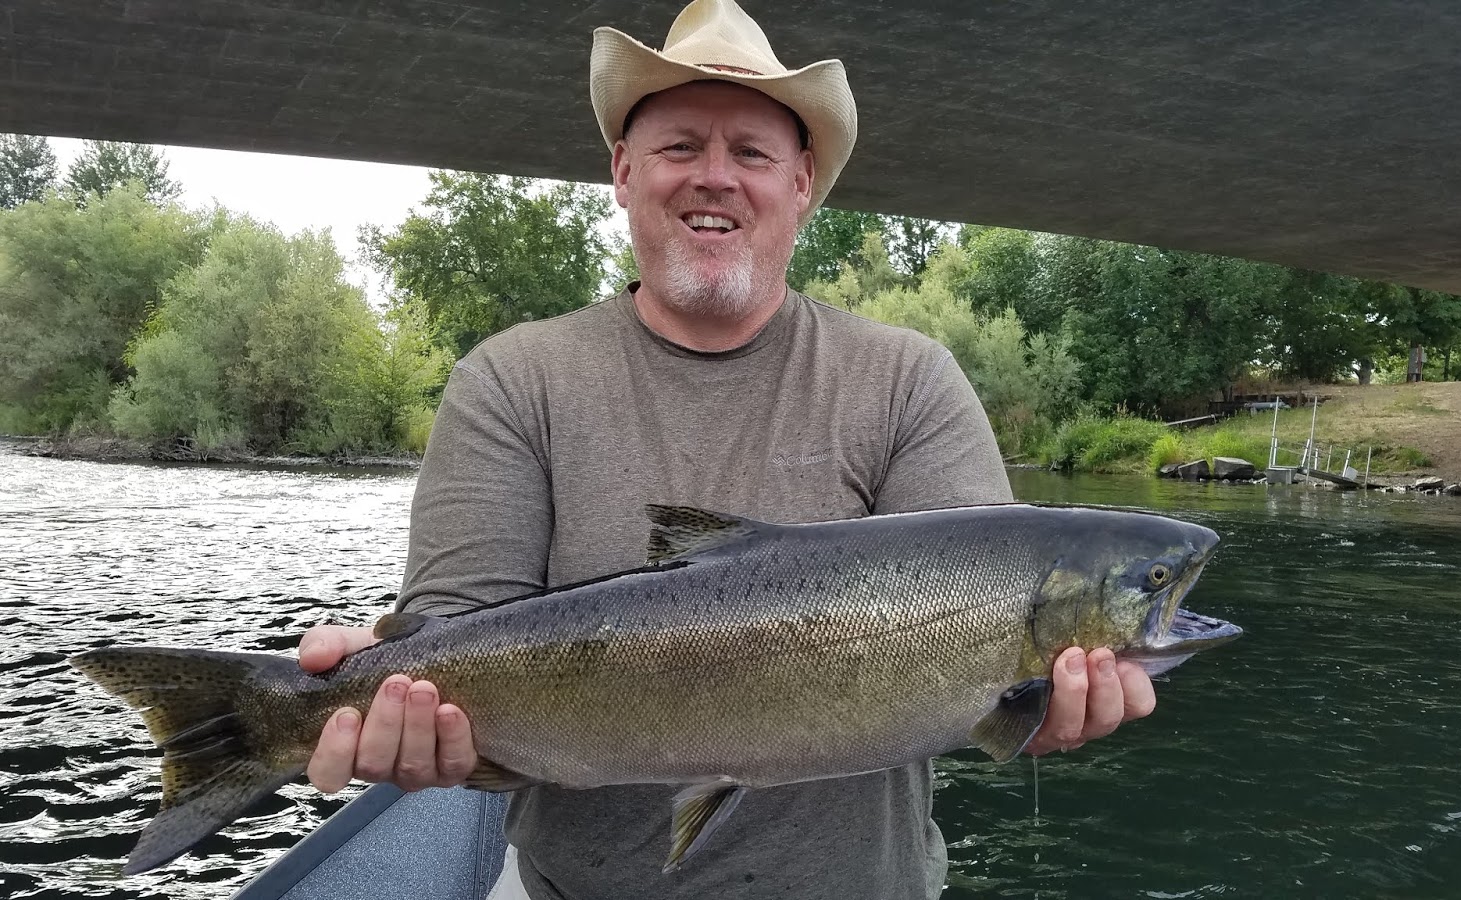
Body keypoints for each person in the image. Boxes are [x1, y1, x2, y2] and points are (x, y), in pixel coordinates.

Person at [294, 1, 1156, 896]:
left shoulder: (909, 380)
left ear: (802, 183)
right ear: (624, 172)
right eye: (679, 148)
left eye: (751, 152)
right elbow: (455, 628)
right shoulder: (512, 382)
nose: (716, 178)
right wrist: (393, 707)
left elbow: (987, 635)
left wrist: (1034, 708)